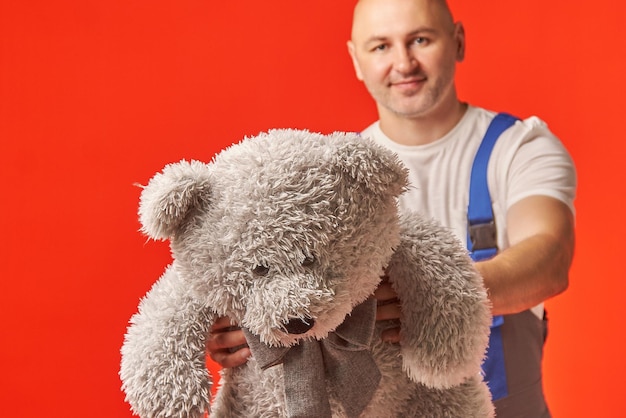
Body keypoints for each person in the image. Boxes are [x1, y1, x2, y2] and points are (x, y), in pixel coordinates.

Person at [206, 0, 577, 416]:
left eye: (420, 39)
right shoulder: (334, 179)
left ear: (457, 41)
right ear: (356, 60)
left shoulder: (519, 147)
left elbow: (550, 255)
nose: (404, 63)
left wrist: (437, 291)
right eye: (381, 46)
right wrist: (246, 327)